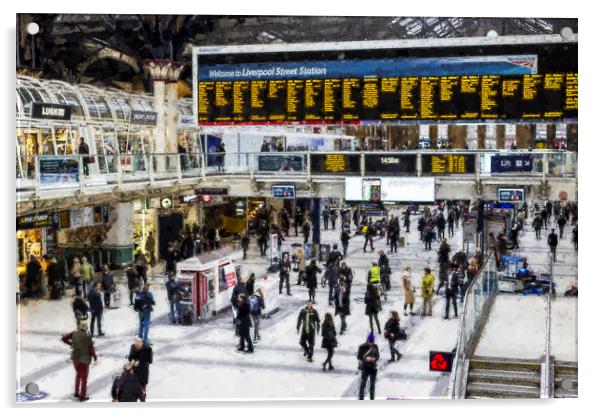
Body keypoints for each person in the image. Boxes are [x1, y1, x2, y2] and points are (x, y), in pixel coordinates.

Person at [61, 321, 97, 402]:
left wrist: (71, 344)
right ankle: (82, 396)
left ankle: (76, 393)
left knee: (78, 375)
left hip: (75, 359)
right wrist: (94, 356)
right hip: (84, 360)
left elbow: (63, 339)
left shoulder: (74, 333)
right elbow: (91, 349)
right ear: (86, 328)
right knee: (84, 379)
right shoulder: (88, 336)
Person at [357, 332, 380, 400]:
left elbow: (378, 356)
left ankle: (372, 398)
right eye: (370, 342)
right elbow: (358, 357)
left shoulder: (375, 346)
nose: (371, 343)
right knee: (363, 384)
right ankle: (361, 398)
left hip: (373, 367)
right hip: (365, 367)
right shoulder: (362, 347)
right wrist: (365, 359)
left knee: (372, 385)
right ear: (367, 340)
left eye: (372, 342)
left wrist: (374, 358)